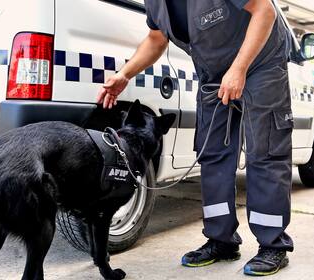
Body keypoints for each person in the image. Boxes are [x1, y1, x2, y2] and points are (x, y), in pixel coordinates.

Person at [97, 0, 294, 276]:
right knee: (212, 153)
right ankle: (220, 240)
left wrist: (239, 69)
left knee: (265, 152)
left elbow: (265, 11)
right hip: (213, 74)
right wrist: (125, 74)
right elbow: (156, 38)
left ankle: (273, 244)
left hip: (261, 62)